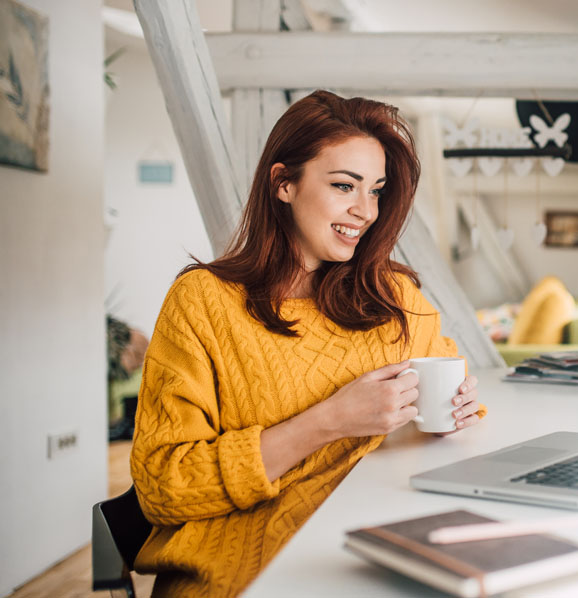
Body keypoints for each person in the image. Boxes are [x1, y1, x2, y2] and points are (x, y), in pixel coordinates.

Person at [129, 90, 484, 598]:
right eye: (345, 186)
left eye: (377, 190)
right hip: (245, 574)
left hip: (370, 553)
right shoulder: (203, 302)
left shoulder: (395, 296)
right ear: (284, 184)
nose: (365, 211)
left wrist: (458, 409)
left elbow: (447, 392)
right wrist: (330, 420)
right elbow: (162, 487)